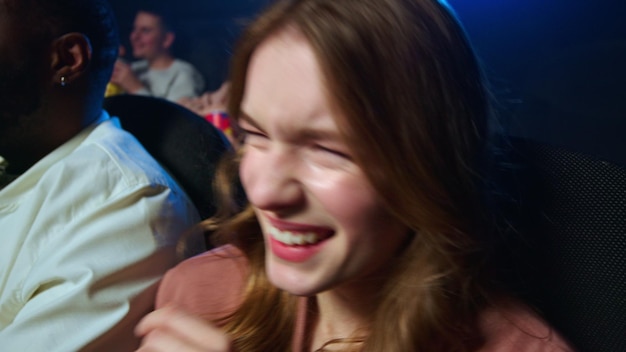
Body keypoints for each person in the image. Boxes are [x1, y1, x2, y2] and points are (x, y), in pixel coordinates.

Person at [135, 0, 575, 351]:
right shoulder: (198, 297)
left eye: (327, 150)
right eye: (254, 135)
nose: (264, 191)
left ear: (427, 166)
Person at [0, 0, 201, 350]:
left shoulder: (128, 210)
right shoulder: (17, 155)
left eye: (147, 30)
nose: (138, 37)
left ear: (67, 59)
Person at [110, 4, 205, 102]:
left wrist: (136, 88)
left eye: (145, 31)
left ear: (166, 39)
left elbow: (177, 116)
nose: (134, 36)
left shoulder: (182, 74)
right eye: (134, 29)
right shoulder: (132, 69)